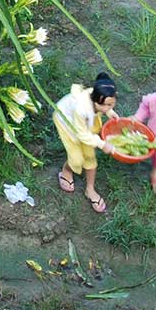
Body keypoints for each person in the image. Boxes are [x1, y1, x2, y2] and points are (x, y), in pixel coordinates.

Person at [54, 72, 118, 214]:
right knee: (77, 159)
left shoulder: (96, 94)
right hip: (67, 122)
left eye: (112, 104)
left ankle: (90, 189)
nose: (111, 106)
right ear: (96, 101)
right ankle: (66, 171)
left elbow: (105, 106)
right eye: (108, 105)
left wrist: (109, 112)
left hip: (84, 123)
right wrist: (102, 144)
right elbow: (82, 134)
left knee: (89, 156)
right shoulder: (81, 109)